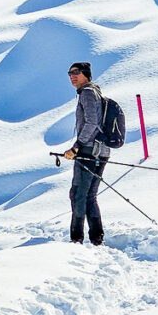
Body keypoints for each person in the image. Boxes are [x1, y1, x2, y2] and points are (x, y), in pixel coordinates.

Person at [63, 61, 109, 245]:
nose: (72, 76)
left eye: (76, 72)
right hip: (100, 151)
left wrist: (77, 147)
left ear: (86, 74)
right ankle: (96, 238)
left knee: (78, 194)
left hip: (89, 151)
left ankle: (76, 239)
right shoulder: (94, 92)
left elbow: (92, 123)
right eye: (69, 73)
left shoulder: (88, 93)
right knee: (89, 195)